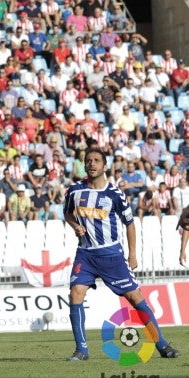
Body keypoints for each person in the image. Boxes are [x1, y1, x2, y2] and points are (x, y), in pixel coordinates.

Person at [64, 147, 179, 361]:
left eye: (96, 160)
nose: (92, 164)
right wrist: (74, 226)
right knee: (75, 294)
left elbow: (130, 223)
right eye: (88, 160)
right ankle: (81, 350)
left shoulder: (115, 194)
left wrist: (132, 254)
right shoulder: (74, 191)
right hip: (86, 254)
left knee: (135, 297)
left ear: (104, 166)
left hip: (112, 255)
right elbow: (67, 213)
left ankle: (162, 344)